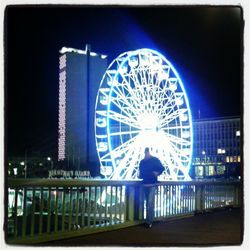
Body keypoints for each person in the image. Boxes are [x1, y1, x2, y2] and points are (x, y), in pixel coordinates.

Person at [139, 147, 164, 228]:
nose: (146, 154)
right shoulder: (142, 162)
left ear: (149, 153)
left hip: (152, 184)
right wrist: (140, 176)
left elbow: (162, 168)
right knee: (147, 203)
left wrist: (157, 173)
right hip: (145, 184)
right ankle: (149, 220)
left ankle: (149, 221)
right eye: (145, 153)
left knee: (150, 203)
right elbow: (141, 173)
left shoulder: (155, 160)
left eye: (147, 153)